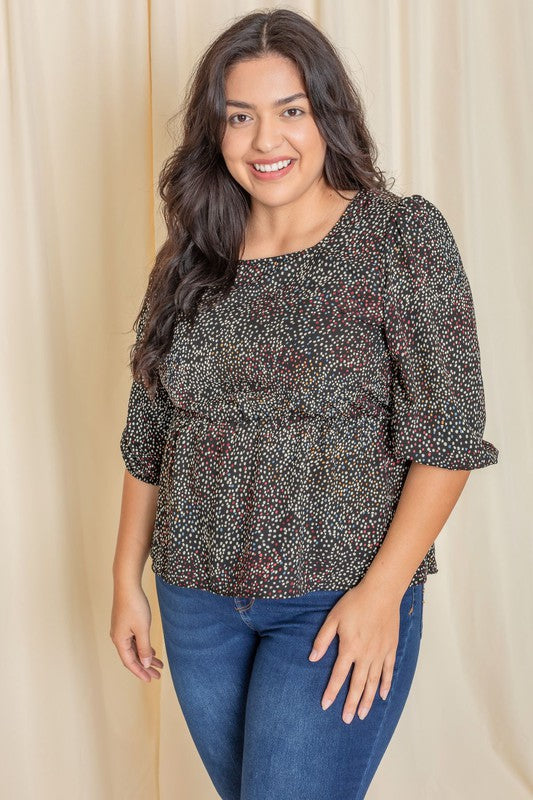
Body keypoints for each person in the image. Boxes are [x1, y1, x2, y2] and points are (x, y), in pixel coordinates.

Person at [110, 8, 499, 799]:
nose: (265, 141)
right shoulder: (191, 256)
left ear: (328, 114)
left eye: (290, 111)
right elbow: (148, 430)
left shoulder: (400, 241)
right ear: (213, 133)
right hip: (195, 603)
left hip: (336, 600)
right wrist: (126, 578)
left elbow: (448, 434)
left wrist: (380, 594)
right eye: (239, 117)